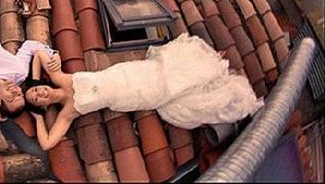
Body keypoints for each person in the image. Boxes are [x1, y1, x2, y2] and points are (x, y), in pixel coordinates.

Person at [23, 33, 263, 151]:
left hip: (127, 72)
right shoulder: (67, 113)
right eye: (37, 98)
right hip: (130, 96)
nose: (40, 92)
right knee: (170, 88)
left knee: (167, 71)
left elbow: (38, 54)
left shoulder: (60, 78)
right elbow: (46, 144)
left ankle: (211, 68)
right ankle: (213, 79)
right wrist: (37, 119)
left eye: (36, 89)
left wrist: (36, 74)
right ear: (43, 106)